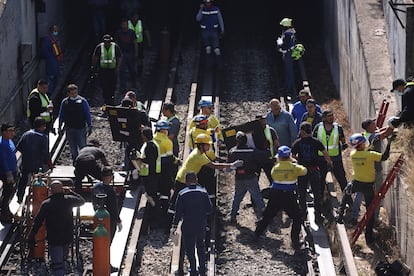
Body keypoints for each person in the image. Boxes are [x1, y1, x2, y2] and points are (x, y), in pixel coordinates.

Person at [335, 133, 393, 244]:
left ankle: (340, 213)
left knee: (347, 191)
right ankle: (369, 238)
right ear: (362, 144)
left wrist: (372, 144)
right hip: (368, 185)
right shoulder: (370, 155)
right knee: (369, 211)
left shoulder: (353, 154)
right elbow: (384, 157)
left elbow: (364, 151)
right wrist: (389, 143)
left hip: (357, 182)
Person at [169, 134, 243, 215]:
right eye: (207, 144)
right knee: (176, 202)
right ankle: (170, 220)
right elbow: (213, 165)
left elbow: (212, 165)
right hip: (182, 180)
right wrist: (231, 165)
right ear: (201, 145)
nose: (209, 146)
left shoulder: (200, 153)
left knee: (180, 200)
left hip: (185, 178)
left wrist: (225, 167)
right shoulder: (198, 156)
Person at [254, 146, 307, 248]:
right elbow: (304, 171)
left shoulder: (275, 168)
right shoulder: (294, 167)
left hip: (275, 195)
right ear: (289, 156)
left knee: (267, 216)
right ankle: (295, 242)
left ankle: (256, 234)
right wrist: (294, 161)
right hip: (289, 196)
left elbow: (273, 175)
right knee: (297, 218)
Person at [29, 180, 85, 276]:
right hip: (67, 237)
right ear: (62, 189)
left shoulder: (46, 204)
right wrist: (71, 192)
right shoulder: (69, 200)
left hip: (54, 238)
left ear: (50, 190)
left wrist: (32, 234)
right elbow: (81, 200)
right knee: (62, 260)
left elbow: (38, 221)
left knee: (57, 264)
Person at [350, 118, 394, 225]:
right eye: (373, 123)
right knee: (377, 194)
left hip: (363, 170)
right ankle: (374, 218)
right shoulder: (374, 137)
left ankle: (354, 216)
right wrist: (395, 123)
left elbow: (379, 131)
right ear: (369, 127)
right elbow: (386, 133)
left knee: (360, 194)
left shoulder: (365, 135)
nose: (376, 124)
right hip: (374, 169)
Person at [171, 172, 212, 276]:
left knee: (189, 248)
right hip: (200, 224)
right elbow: (210, 209)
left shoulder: (182, 193)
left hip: (188, 225)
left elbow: (178, 212)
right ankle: (202, 269)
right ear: (197, 180)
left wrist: (174, 226)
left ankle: (193, 270)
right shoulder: (203, 192)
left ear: (186, 181)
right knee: (200, 246)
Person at [291, 122, 333, 224]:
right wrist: (329, 163)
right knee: (317, 193)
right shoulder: (316, 142)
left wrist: (298, 161)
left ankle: (303, 214)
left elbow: (292, 155)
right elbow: (325, 153)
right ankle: (318, 216)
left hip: (302, 170)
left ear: (302, 131)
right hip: (314, 169)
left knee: (302, 193)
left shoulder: (298, 142)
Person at [229, 131, 267, 223]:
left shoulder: (232, 151)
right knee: (257, 197)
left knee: (237, 197)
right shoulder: (251, 151)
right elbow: (264, 156)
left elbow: (229, 165)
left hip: (239, 177)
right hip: (251, 177)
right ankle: (264, 216)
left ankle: (233, 215)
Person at [313, 109, 348, 198]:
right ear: (324, 118)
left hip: (335, 159)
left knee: (342, 180)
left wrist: (344, 145)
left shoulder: (338, 128)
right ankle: (320, 199)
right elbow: (313, 141)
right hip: (321, 159)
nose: (331, 117)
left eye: (332, 115)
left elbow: (343, 140)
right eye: (329, 116)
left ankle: (348, 199)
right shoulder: (318, 127)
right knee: (320, 180)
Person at [16, 117, 51, 204]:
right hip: (38, 164)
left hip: (26, 162)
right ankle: (38, 198)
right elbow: (46, 153)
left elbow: (19, 148)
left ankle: (19, 197)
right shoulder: (43, 137)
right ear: (43, 126)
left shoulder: (26, 134)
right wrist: (50, 165)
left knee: (23, 180)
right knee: (39, 180)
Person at [58, 84, 92, 162]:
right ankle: (75, 162)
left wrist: (90, 125)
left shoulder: (83, 101)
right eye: (72, 93)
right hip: (69, 128)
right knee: (72, 148)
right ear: (68, 93)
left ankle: (84, 162)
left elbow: (87, 114)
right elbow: (61, 114)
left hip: (80, 128)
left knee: (82, 147)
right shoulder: (65, 102)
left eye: (75, 92)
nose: (74, 94)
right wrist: (59, 126)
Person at [153, 120, 178, 224]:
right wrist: (177, 161)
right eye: (167, 129)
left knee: (157, 189)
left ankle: (156, 209)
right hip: (165, 169)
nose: (168, 131)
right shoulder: (167, 141)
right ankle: (165, 210)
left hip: (155, 169)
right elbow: (170, 157)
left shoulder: (153, 139)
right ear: (163, 130)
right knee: (166, 189)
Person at [92, 34, 123, 105]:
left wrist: (118, 68)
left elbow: (119, 57)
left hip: (112, 70)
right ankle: (106, 99)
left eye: (108, 41)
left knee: (112, 84)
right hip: (103, 70)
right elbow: (95, 57)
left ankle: (111, 98)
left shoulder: (115, 47)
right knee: (104, 85)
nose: (107, 43)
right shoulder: (99, 47)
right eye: (105, 42)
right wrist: (94, 67)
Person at [92, 166, 122, 239]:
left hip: (97, 215)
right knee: (108, 238)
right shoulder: (110, 190)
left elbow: (93, 202)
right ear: (110, 176)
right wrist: (118, 221)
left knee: (98, 237)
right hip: (109, 218)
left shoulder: (95, 187)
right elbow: (113, 208)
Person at [253, 114, 279, 185]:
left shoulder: (270, 130)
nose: (263, 124)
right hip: (256, 160)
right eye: (261, 122)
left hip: (268, 159)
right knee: (254, 182)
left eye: (264, 122)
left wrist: (277, 156)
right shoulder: (252, 132)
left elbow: (277, 144)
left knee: (273, 180)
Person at [115, 18, 138, 94]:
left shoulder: (131, 32)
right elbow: (117, 43)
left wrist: (136, 53)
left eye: (125, 24)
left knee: (132, 70)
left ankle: (134, 83)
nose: (124, 25)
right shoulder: (119, 33)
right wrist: (117, 54)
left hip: (130, 53)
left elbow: (135, 43)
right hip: (122, 54)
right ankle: (123, 88)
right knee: (122, 71)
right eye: (123, 24)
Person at [0, 123, 17, 224]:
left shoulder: (9, 141)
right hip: (7, 172)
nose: (12, 133)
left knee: (10, 191)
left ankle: (6, 210)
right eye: (10, 130)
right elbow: (3, 159)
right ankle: (4, 215)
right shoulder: (2, 144)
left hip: (13, 170)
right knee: (7, 193)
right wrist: (8, 173)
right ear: (4, 132)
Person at [41, 25, 63, 96]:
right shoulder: (48, 39)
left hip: (55, 60)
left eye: (56, 30)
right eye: (55, 31)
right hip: (51, 61)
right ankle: (49, 93)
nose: (56, 32)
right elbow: (45, 51)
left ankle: (52, 91)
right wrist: (50, 58)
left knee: (55, 77)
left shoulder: (54, 39)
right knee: (51, 77)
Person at [277, 17, 296, 98]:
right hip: (289, 53)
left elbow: (284, 46)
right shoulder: (291, 33)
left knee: (288, 72)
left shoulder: (287, 35)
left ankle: (288, 89)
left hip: (288, 54)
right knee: (289, 71)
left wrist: (279, 45)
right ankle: (288, 87)